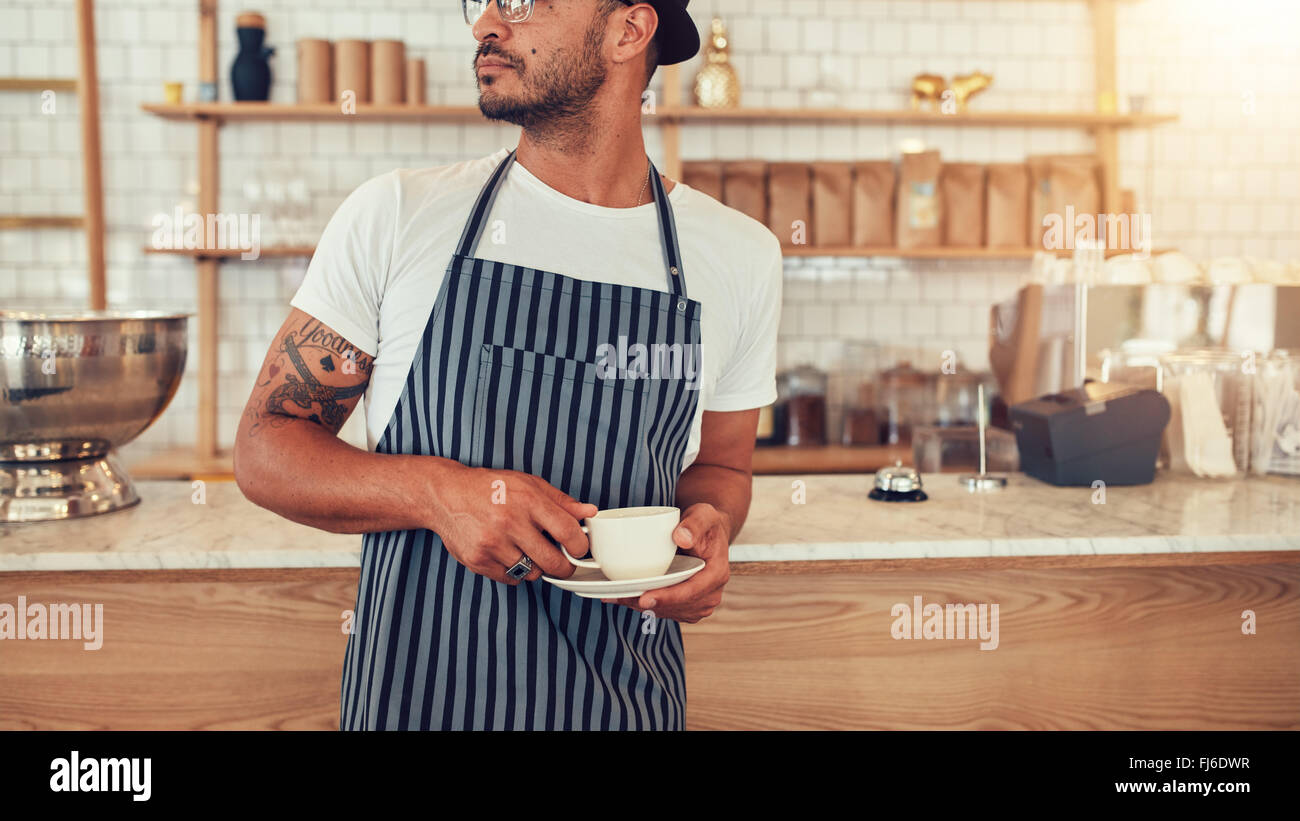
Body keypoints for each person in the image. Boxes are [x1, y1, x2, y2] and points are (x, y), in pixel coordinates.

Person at [234, 0, 782, 730]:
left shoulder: (739, 256)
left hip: (623, 703)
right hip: (416, 701)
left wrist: (711, 527)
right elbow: (265, 445)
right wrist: (438, 493)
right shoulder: (397, 216)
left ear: (628, 30)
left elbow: (723, 469)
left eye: (523, 1)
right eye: (484, 1)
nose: (486, 23)